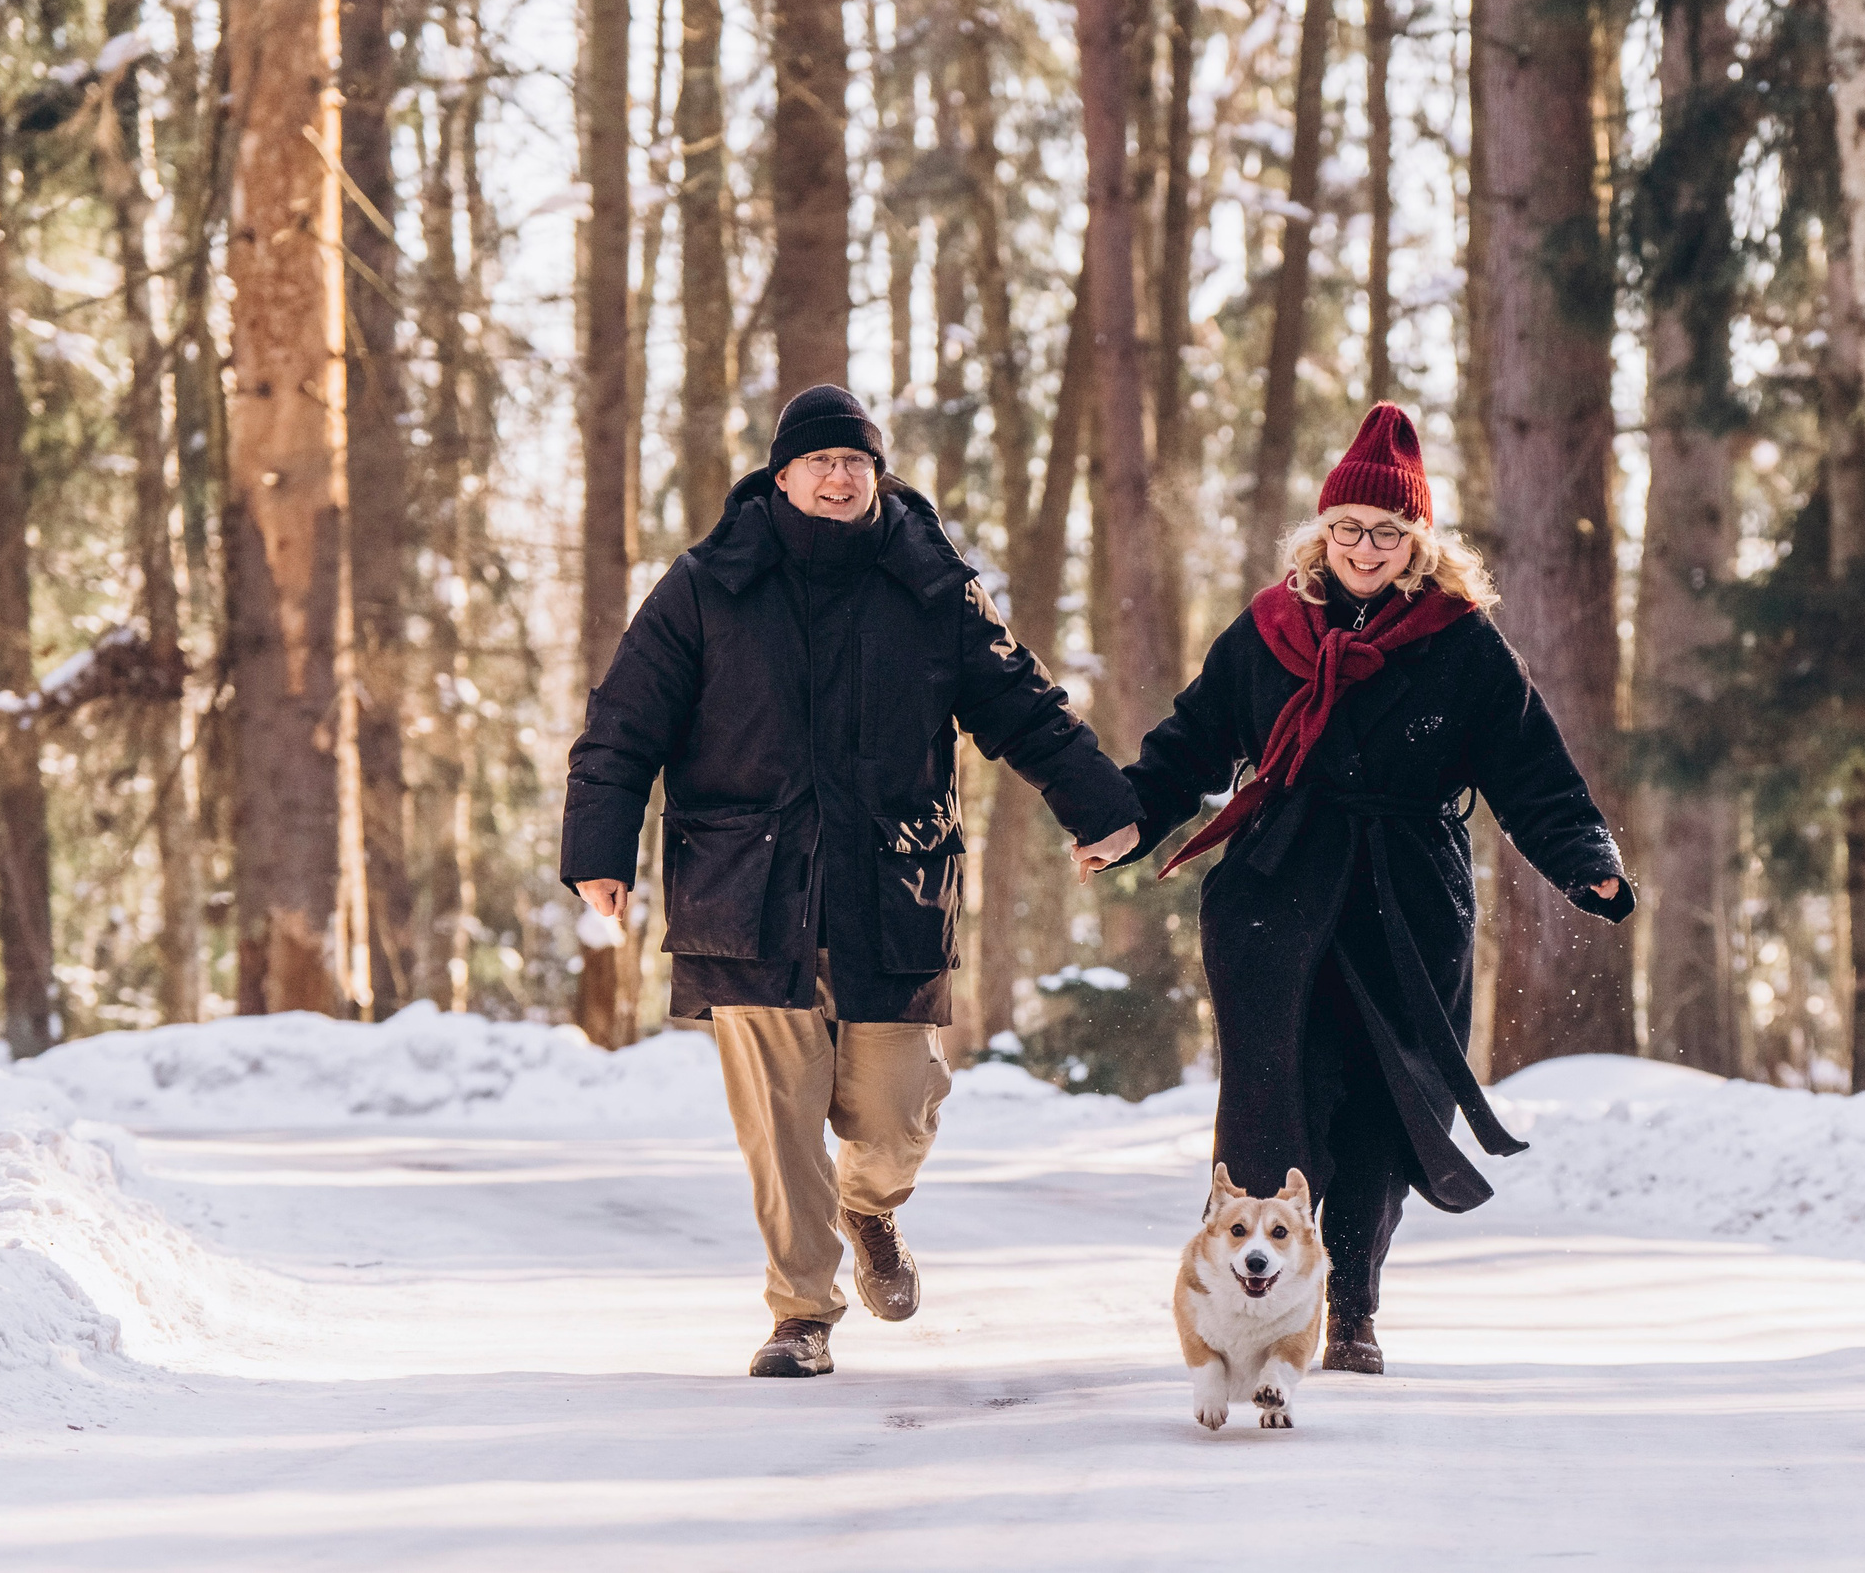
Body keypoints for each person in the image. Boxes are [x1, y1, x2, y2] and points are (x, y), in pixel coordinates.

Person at [565, 385, 1140, 1379]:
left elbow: (1023, 702)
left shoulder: (931, 584)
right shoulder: (707, 585)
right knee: (780, 1122)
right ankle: (801, 1313)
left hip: (895, 885)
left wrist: (1101, 805)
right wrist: (599, 851)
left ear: (877, 476)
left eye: (856, 462)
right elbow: (624, 723)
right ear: (780, 475)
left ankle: (871, 1206)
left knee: (894, 1109)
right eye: (821, 462)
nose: (839, 477)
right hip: (746, 888)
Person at [1089, 402, 1631, 1375]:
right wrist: (1126, 821)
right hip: (1275, 890)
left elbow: (1530, 769)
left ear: (1417, 543)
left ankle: (1351, 1309)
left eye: (1386, 532)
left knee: (1383, 1100)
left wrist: (1582, 857)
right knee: (1271, 1100)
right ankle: (1249, 1313)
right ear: (1319, 534)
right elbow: (1191, 743)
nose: (1365, 547)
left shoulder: (1462, 644)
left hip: (1406, 900)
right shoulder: (1264, 632)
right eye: (1349, 529)